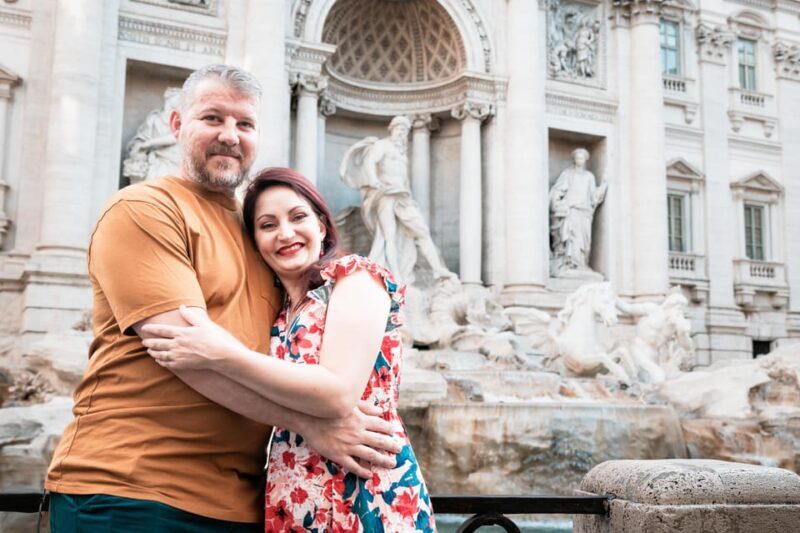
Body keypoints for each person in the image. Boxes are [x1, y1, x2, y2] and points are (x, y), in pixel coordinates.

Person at [45, 65, 398, 532]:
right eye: (212, 118)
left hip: (245, 504)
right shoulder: (144, 208)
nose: (229, 136)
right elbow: (187, 354)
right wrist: (311, 426)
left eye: (244, 124)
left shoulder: (258, 235)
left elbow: (239, 352)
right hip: (130, 489)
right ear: (176, 125)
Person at [141, 167, 437, 531]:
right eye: (267, 225)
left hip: (365, 490)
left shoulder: (355, 278)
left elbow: (337, 393)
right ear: (255, 242)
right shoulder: (277, 313)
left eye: (298, 217)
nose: (285, 233)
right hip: (292, 493)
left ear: (322, 226)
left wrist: (219, 352)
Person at [339, 115, 451, 283]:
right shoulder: (382, 145)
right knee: (388, 236)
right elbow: (370, 161)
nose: (402, 133)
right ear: (392, 129)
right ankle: (396, 276)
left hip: (402, 196)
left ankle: (437, 270)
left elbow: (404, 180)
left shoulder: (402, 155)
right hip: (385, 194)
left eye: (405, 130)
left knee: (422, 231)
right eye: (399, 129)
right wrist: (373, 179)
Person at [548, 147, 607, 276]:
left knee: (584, 242)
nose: (579, 160)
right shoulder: (568, 173)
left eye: (582, 158)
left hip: (585, 213)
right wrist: (558, 204)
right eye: (577, 158)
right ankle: (570, 265)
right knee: (572, 239)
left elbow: (593, 197)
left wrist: (603, 184)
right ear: (574, 159)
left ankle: (582, 265)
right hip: (571, 211)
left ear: (585, 160)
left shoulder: (589, 177)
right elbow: (557, 190)